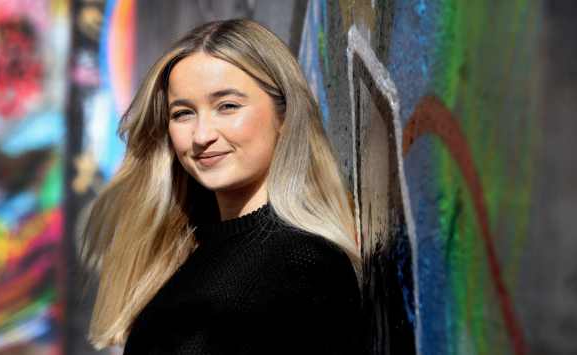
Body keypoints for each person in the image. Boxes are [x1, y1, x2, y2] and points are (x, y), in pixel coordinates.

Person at [78, 18, 365, 354]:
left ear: (285, 117)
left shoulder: (302, 263)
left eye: (227, 106)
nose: (202, 136)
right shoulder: (195, 252)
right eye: (183, 113)